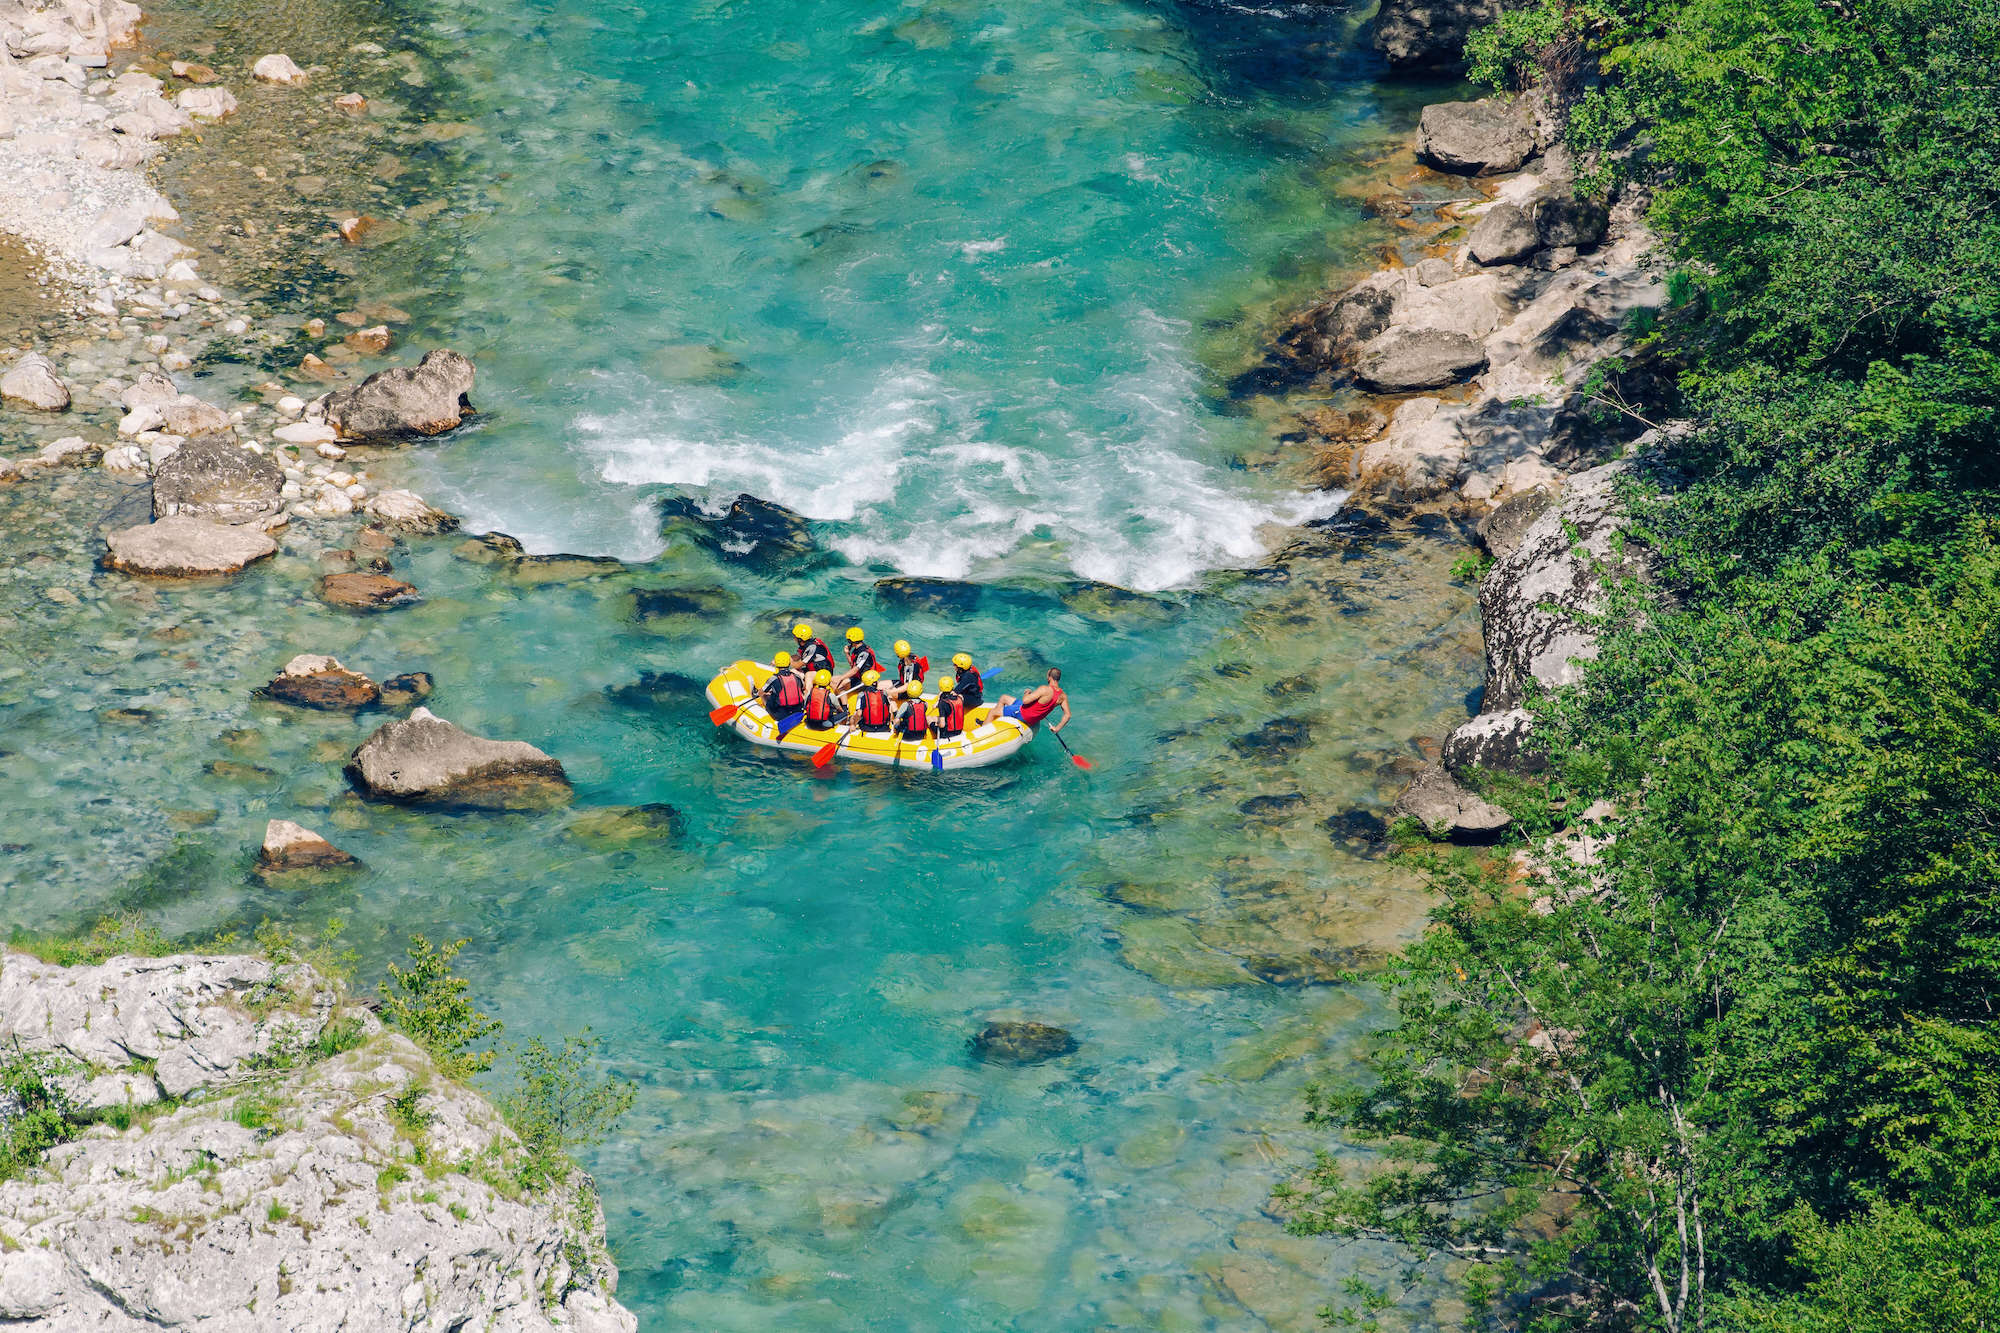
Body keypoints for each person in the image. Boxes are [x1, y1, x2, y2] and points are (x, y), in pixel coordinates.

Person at [997, 667, 1069, 733]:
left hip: (1024, 714)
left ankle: (987, 730)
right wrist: (1057, 728)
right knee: (1004, 697)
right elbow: (1068, 715)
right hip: (1033, 716)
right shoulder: (1063, 696)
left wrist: (1027, 692)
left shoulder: (1044, 689)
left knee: (992, 712)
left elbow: (1025, 700)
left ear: (1049, 677)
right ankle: (999, 720)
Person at [834, 626, 880, 693]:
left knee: (840, 685)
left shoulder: (864, 653)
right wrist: (847, 653)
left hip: (865, 682)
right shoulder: (858, 649)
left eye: (848, 640)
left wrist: (841, 678)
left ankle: (844, 703)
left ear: (851, 640)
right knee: (833, 679)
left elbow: (855, 670)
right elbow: (852, 665)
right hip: (858, 677)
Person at [761, 650, 808, 715]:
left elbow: (762, 690)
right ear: (789, 663)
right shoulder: (797, 676)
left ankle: (765, 708)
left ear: (776, 663)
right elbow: (803, 687)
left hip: (780, 714)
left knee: (763, 694)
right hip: (798, 710)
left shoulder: (773, 678)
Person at [852, 669, 894, 734]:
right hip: (883, 727)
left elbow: (859, 714)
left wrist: (853, 724)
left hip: (867, 727)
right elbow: (890, 710)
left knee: (853, 716)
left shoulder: (861, 695)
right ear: (874, 683)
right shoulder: (884, 693)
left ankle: (851, 726)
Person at [932, 675, 967, 741]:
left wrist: (937, 724)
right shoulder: (960, 698)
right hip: (959, 730)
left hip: (947, 733)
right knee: (936, 718)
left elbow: (942, 725)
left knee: (929, 719)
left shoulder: (942, 703)